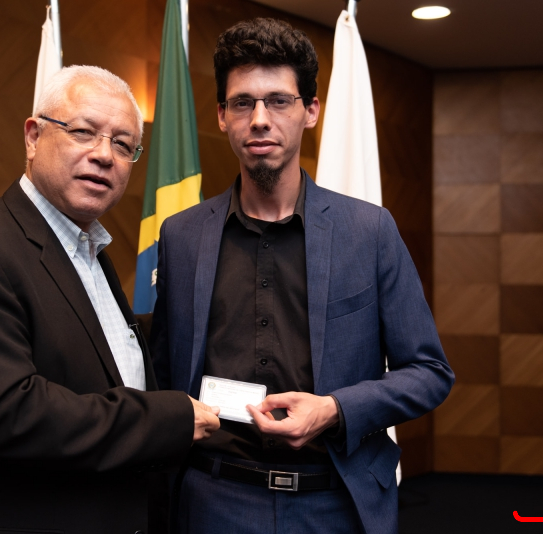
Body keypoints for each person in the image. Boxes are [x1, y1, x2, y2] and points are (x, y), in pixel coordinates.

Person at [150, 18, 454, 534]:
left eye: (278, 101)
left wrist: (335, 409)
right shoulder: (181, 237)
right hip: (213, 502)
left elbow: (428, 371)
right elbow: (161, 375)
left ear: (311, 110)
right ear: (221, 116)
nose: (259, 120)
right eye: (242, 103)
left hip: (334, 504)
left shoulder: (369, 231)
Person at [0, 65, 220, 534]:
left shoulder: (90, 252)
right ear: (33, 137)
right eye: (83, 132)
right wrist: (169, 420)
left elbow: (97, 364)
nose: (104, 155)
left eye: (123, 144)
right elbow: (7, 414)